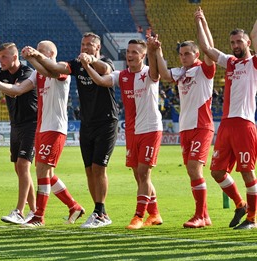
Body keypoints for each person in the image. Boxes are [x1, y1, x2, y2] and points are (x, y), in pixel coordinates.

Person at [0, 41, 85, 227]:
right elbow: (17, 90)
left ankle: (39, 216)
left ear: (51, 53)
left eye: (41, 51)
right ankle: (73, 206)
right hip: (41, 127)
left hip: (55, 126)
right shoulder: (37, 74)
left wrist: (33, 57)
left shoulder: (61, 69)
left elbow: (49, 71)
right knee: (47, 173)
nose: (37, 52)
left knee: (41, 170)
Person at [32, 33, 118, 228]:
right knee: (89, 170)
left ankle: (100, 211)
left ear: (97, 48)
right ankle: (98, 211)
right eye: (83, 44)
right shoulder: (75, 64)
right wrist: (36, 56)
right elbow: (54, 69)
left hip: (106, 121)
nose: (85, 48)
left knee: (99, 168)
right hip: (86, 123)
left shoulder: (106, 61)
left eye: (89, 45)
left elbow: (105, 70)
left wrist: (92, 61)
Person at [83, 38, 163, 230]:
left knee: (144, 173)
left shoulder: (149, 73)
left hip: (151, 129)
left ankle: (138, 216)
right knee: (139, 175)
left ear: (143, 55)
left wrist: (153, 50)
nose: (130, 55)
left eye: (135, 52)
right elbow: (102, 81)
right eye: (128, 52)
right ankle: (155, 213)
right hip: (132, 131)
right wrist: (87, 66)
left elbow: (155, 69)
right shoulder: (122, 75)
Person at [152, 8, 215, 228]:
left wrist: (200, 22)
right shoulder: (181, 72)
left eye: (187, 54)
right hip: (186, 127)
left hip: (202, 125)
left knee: (194, 168)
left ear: (196, 54)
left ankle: (200, 216)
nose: (183, 57)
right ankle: (204, 216)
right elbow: (165, 75)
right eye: (181, 54)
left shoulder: (204, 69)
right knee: (191, 170)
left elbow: (209, 48)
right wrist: (158, 52)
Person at [196, 10, 257, 229]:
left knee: (247, 172)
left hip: (244, 124)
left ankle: (251, 219)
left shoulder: (254, 63)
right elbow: (207, 49)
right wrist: (201, 21)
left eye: (239, 41)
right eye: (232, 42)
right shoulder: (230, 62)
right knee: (217, 171)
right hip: (226, 125)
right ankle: (240, 204)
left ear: (248, 42)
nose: (235, 45)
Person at [0, 42, 36, 224]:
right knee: (19, 168)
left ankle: (19, 211)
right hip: (16, 124)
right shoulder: (2, 74)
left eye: (4, 56)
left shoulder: (26, 73)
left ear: (15, 57)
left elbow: (15, 92)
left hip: (31, 124)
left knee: (23, 165)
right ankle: (35, 211)